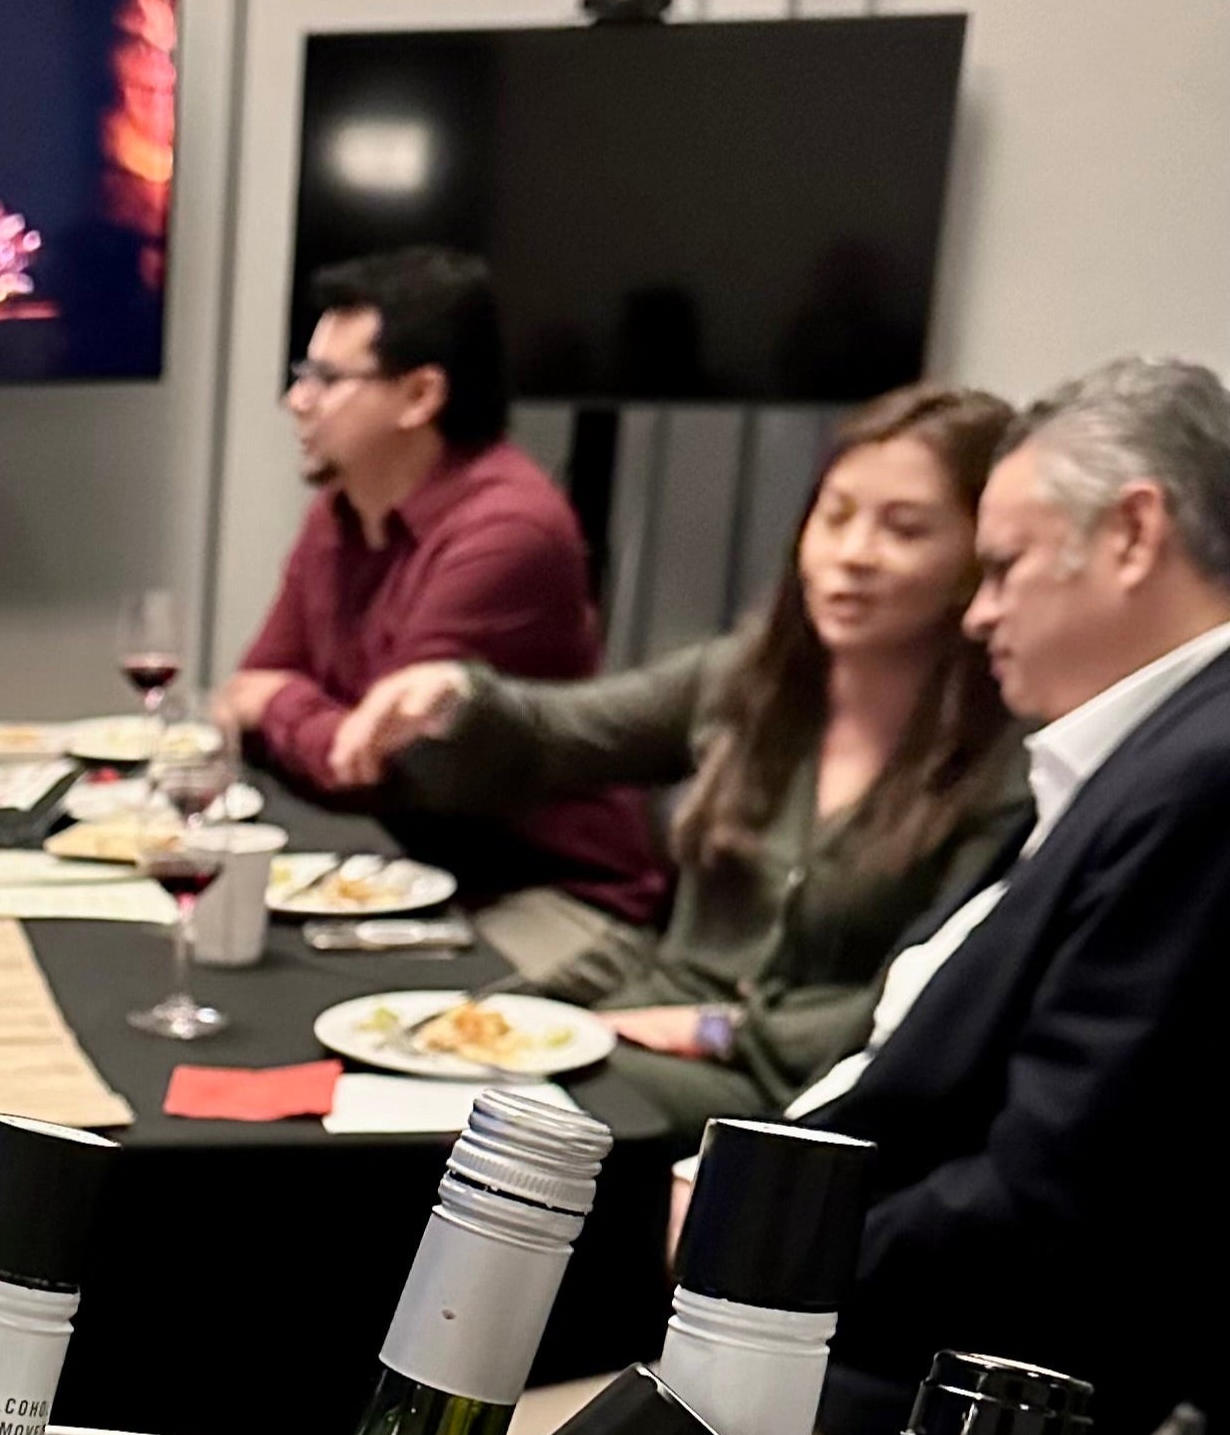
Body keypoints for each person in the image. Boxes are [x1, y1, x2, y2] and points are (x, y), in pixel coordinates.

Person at [775, 357, 1230, 1435]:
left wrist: (769, 1242)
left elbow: (1056, 1201)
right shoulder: (1146, 753)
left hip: (952, 1420)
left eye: (1006, 565)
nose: (976, 613)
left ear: (1134, 533)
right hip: (897, 1351)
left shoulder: (1205, 775)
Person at [329, 384, 1030, 1122]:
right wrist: (453, 696)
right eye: (836, 516)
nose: (853, 555)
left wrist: (718, 1028)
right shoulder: (748, 678)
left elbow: (936, 1003)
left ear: (974, 560)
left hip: (794, 1090)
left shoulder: (1004, 760)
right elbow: (554, 734)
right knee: (396, 1056)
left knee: (478, 1116)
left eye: (905, 529)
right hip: (646, 1021)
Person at [227, 248, 664, 937]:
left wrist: (280, 705)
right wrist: (291, 708)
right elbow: (244, 690)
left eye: (326, 378)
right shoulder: (342, 507)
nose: (296, 400)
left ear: (421, 396)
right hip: (402, 861)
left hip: (547, 894)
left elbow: (375, 761)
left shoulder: (509, 529)